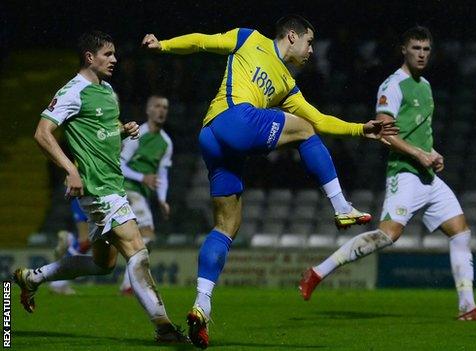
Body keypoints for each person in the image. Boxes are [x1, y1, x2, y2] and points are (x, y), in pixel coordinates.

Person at [142, 14, 398, 348]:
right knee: (302, 131)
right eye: (308, 42)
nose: (311, 51)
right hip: (235, 120)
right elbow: (204, 40)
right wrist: (164, 45)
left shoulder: (287, 85)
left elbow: (319, 119)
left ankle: (201, 304)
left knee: (227, 226)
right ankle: (341, 206)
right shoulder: (249, 38)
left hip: (211, 137)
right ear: (291, 36)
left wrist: (360, 129)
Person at [299, 26, 476, 322]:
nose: (421, 54)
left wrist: (431, 153)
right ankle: (317, 273)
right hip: (405, 174)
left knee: (461, 231)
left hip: (428, 177)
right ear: (404, 50)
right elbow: (384, 133)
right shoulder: (393, 85)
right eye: (416, 48)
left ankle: (468, 307)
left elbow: (420, 132)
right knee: (387, 236)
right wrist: (419, 154)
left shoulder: (426, 85)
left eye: (426, 49)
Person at [12, 30, 188, 343]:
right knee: (137, 250)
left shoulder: (106, 91)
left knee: (102, 264)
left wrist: (124, 131)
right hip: (98, 187)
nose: (115, 60)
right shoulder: (73, 90)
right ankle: (164, 328)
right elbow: (42, 133)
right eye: (108, 54)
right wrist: (70, 170)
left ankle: (33, 278)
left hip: (112, 184)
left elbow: (102, 135)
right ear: (89, 58)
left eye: (115, 54)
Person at [118, 95, 173, 295]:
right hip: (126, 189)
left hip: (139, 192)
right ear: (148, 110)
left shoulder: (166, 142)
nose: (161, 110)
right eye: (157, 106)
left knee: (129, 241)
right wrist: (142, 177)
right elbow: (120, 165)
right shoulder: (137, 134)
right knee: (147, 234)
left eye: (165, 107)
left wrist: (162, 199)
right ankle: (129, 283)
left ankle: (128, 283)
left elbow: (162, 174)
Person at [48, 198, 91, 295]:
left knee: (91, 240)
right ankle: (58, 283)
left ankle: (71, 241)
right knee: (84, 242)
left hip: (99, 196)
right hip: (86, 196)